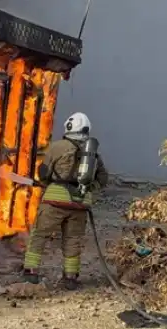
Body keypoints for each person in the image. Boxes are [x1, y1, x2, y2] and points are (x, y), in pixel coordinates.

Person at [22, 112, 109, 290]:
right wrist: (89, 189)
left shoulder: (57, 147)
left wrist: (47, 183)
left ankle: (31, 272)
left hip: (55, 200)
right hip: (80, 203)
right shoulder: (92, 154)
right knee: (72, 239)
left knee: (39, 235)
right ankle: (70, 277)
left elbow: (44, 173)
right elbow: (103, 178)